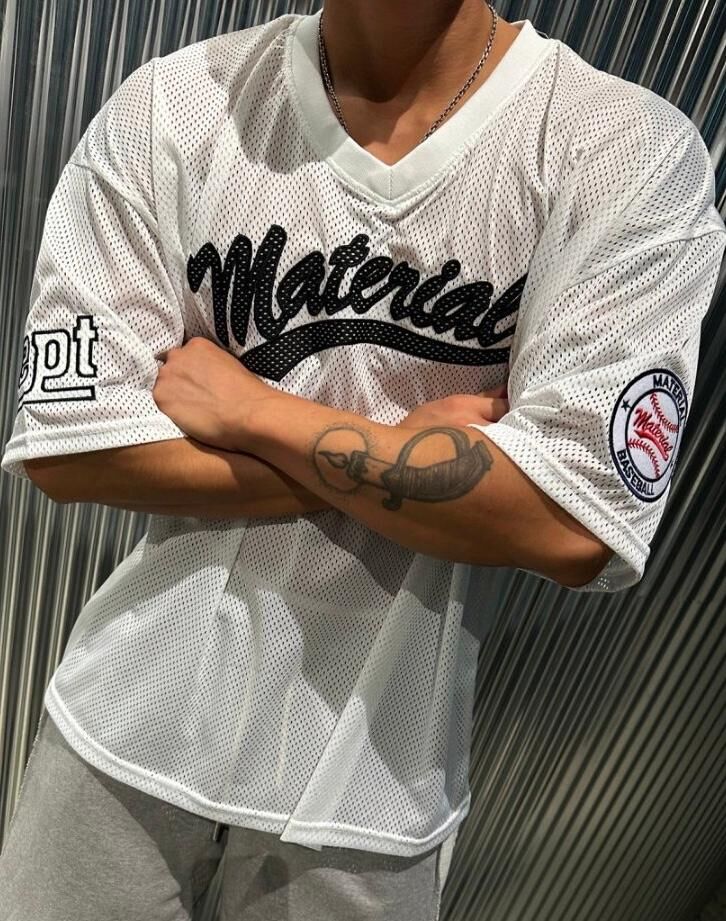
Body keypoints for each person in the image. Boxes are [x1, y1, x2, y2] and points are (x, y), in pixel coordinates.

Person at [1, 0, 725, 918]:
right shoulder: (176, 106)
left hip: (372, 785)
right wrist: (425, 465)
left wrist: (253, 412)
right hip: (123, 725)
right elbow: (72, 447)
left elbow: (568, 522)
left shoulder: (622, 151)